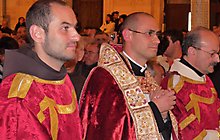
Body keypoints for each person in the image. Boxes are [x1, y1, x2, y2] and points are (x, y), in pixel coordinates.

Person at [79, 12, 176, 139]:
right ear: (127, 35)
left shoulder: (148, 78)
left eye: (157, 35)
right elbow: (109, 130)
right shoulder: (105, 76)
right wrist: (156, 110)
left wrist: (164, 116)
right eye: (149, 33)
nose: (157, 40)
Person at [0, 0, 82, 139]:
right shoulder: (21, 97)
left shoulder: (59, 76)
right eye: (65, 28)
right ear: (38, 33)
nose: (76, 36)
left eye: (75, 28)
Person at [161, 26, 220, 140]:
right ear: (192, 51)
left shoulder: (204, 78)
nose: (217, 60)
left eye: (218, 53)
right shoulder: (175, 84)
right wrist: (217, 136)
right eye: (212, 53)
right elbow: (181, 128)